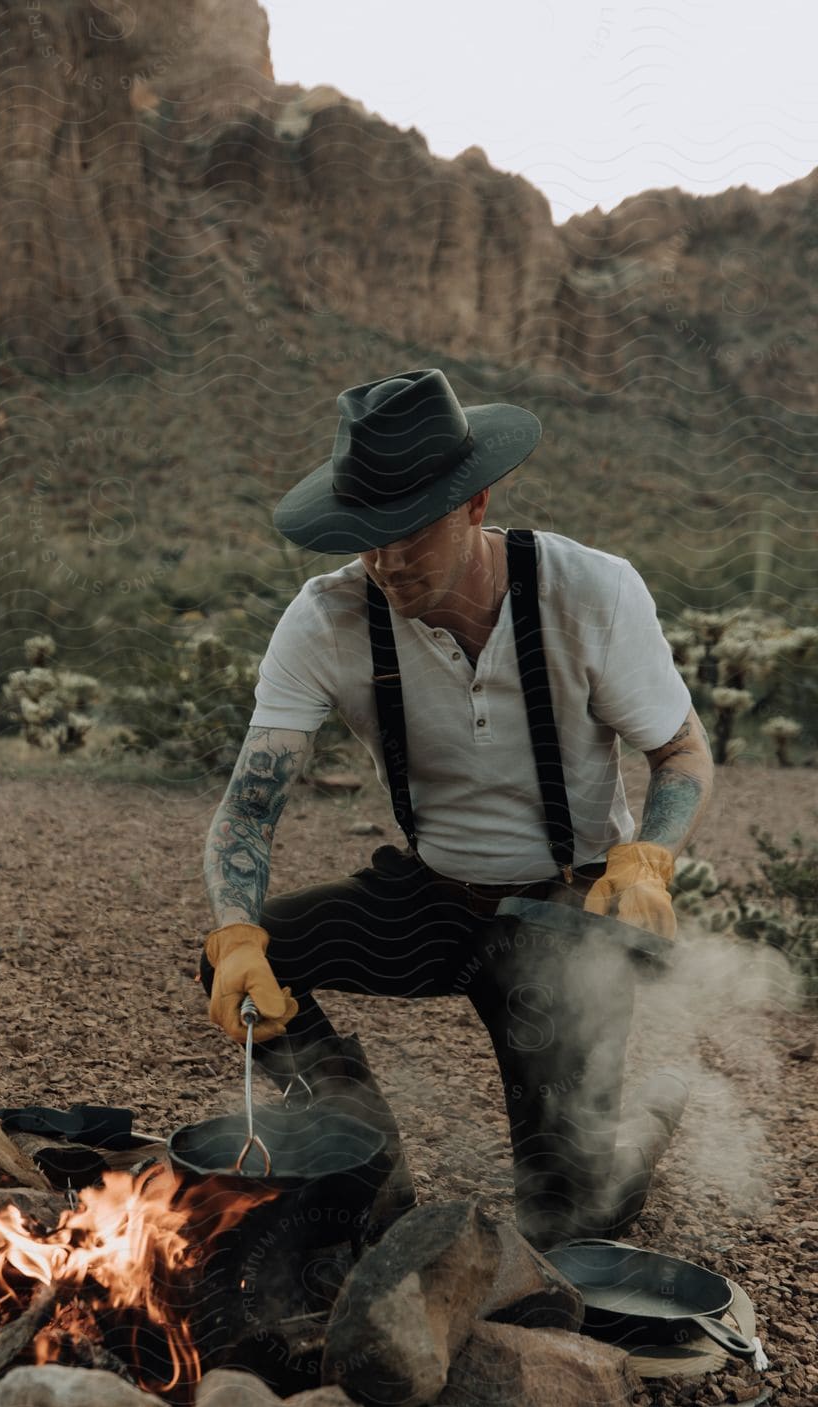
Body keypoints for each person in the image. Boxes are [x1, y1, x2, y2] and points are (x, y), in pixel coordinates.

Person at [198, 369, 714, 1248]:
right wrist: (237, 936)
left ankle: (630, 1140)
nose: (386, 561)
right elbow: (247, 813)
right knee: (247, 964)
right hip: (430, 899)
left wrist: (648, 860)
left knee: (568, 1227)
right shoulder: (325, 620)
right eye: (366, 537)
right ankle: (367, 1169)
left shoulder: (592, 593)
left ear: (475, 503)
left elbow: (682, 753)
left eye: (407, 532)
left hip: (562, 914)